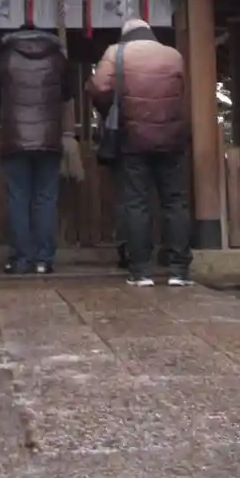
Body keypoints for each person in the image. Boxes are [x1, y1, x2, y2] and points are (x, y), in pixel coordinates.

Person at [88, 18, 191, 287]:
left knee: (135, 202)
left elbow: (99, 88)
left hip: (132, 138)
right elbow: (182, 91)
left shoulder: (116, 53)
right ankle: (179, 270)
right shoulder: (173, 55)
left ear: (125, 35)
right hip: (171, 138)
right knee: (175, 202)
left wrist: (112, 109)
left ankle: (141, 271)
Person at [0, 22, 75, 274]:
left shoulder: (5, 57)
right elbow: (69, 92)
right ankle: (44, 260)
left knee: (18, 198)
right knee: (45, 199)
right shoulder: (57, 58)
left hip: (15, 137)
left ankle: (21, 258)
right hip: (49, 138)